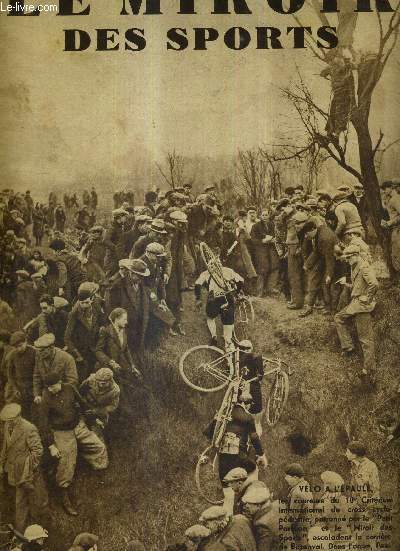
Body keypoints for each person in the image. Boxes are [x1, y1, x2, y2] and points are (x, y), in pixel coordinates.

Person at [39, 372, 108, 516]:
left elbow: (83, 404)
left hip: (78, 426)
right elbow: (43, 424)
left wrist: (94, 420)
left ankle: (100, 476)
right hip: (62, 432)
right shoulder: (46, 397)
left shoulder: (69, 388)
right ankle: (64, 495)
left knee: (99, 447)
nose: (51, 389)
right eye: (48, 387)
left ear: (60, 382)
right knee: (66, 463)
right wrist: (51, 445)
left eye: (53, 386)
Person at [0, 403, 48, 532]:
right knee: (20, 501)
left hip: (30, 473)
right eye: (6, 421)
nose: (8, 423)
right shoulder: (7, 426)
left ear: (18, 417)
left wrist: (27, 468)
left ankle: (38, 531)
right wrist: (2, 463)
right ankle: (21, 532)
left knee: (37, 501)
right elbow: (5, 446)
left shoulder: (29, 428)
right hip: (15, 472)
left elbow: (38, 451)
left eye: (10, 421)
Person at [334, 244, 378, 381]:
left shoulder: (364, 267)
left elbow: (375, 284)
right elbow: (357, 287)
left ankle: (369, 369)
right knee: (338, 318)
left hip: (362, 306)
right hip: (356, 304)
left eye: (348, 258)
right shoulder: (355, 267)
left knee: (365, 339)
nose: (346, 260)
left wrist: (368, 298)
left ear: (355, 256)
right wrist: (346, 283)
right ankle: (348, 347)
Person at [204, 388, 267, 482]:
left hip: (223, 460)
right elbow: (254, 437)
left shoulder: (223, 413)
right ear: (247, 404)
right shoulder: (248, 417)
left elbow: (208, 433)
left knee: (226, 482)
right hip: (239, 458)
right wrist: (261, 454)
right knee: (253, 471)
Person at [95, 307, 142, 418]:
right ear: (116, 319)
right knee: (119, 388)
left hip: (121, 364)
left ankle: (132, 409)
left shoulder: (123, 331)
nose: (127, 322)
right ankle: (123, 413)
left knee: (136, 380)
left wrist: (132, 365)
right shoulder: (106, 331)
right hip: (108, 367)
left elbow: (126, 349)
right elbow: (98, 350)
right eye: (124, 319)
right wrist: (110, 362)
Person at [194, 251, 244, 348]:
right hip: (227, 298)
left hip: (214, 299)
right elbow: (241, 281)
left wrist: (198, 298)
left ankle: (214, 336)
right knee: (228, 325)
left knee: (210, 317)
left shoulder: (206, 273)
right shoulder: (228, 270)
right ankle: (228, 347)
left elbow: (197, 285)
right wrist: (237, 293)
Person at [105, 259, 151, 352]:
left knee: (136, 348)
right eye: (138, 276)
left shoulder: (141, 285)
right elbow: (111, 309)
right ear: (131, 272)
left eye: (142, 276)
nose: (141, 279)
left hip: (138, 325)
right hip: (125, 327)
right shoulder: (117, 286)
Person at [64, 282, 105, 381]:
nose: (83, 305)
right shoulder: (74, 314)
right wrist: (77, 354)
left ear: (91, 300)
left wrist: (102, 328)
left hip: (95, 345)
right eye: (81, 303)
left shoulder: (97, 304)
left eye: (86, 302)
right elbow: (67, 338)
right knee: (83, 375)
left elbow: (103, 319)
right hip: (82, 350)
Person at [33, 333, 78, 404]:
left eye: (42, 350)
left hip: (64, 394)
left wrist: (61, 386)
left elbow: (73, 381)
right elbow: (37, 376)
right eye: (38, 351)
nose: (39, 353)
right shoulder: (39, 357)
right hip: (47, 394)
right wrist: (37, 394)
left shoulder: (67, 358)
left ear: (51, 347)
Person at [79, 367, 120, 439]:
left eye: (104, 383)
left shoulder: (115, 390)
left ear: (110, 381)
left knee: (98, 434)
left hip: (100, 412)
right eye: (98, 382)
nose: (100, 385)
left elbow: (113, 406)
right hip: (85, 406)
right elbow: (81, 390)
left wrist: (97, 411)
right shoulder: (91, 379)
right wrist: (82, 403)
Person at [4, 331, 36, 421]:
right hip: (21, 390)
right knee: (25, 414)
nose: (19, 349)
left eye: (20, 345)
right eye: (16, 347)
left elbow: (38, 373)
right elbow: (10, 374)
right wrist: (15, 388)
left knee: (36, 413)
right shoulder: (12, 356)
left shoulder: (34, 353)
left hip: (33, 388)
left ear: (26, 341)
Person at [237, 339, 264, 436]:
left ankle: (248, 423)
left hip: (239, 384)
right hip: (250, 384)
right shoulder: (256, 357)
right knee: (256, 407)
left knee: (238, 404)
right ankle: (256, 424)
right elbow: (260, 375)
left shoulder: (235, 355)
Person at [241, 483, 280, 551]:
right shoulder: (277, 506)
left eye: (249, 503)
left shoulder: (262, 524)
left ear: (258, 505)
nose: (246, 506)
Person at [250, 209, 280, 297]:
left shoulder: (272, 225)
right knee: (262, 269)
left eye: (266, 215)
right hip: (260, 250)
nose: (265, 217)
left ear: (269, 216)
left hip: (271, 249)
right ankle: (259, 292)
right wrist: (262, 241)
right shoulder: (255, 226)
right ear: (260, 216)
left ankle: (270, 289)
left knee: (274, 267)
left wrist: (274, 240)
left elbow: (277, 235)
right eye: (263, 215)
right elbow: (253, 240)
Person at [284, 463, 313, 545]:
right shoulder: (305, 485)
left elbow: (292, 517)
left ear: (295, 477)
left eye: (287, 476)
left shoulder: (297, 493)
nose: (285, 478)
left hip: (299, 533)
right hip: (306, 528)